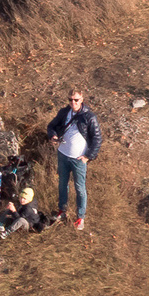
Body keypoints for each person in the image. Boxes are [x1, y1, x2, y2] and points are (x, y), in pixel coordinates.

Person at [45, 90, 103, 230]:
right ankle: (62, 211)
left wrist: (88, 156)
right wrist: (53, 136)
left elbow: (97, 138)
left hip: (78, 158)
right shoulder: (65, 112)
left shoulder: (90, 117)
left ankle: (80, 217)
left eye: (76, 100)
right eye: (70, 99)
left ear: (82, 99)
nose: (73, 102)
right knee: (62, 184)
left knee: (80, 188)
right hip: (63, 154)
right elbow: (51, 126)